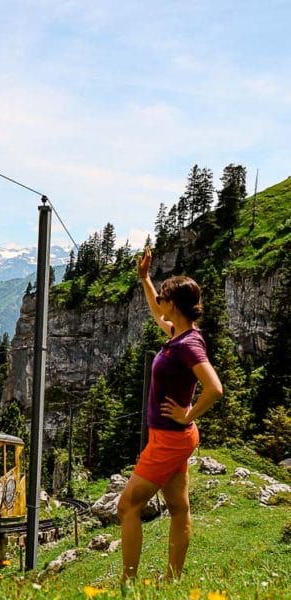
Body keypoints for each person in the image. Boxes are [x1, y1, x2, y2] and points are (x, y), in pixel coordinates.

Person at [117, 246, 223, 582]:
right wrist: (145, 278)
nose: (159, 301)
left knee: (127, 506)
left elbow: (215, 388)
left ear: (174, 305)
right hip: (175, 438)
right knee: (179, 508)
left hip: (170, 438)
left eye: (164, 297)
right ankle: (172, 579)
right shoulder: (179, 333)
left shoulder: (188, 344)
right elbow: (154, 310)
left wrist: (188, 414)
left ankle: (128, 582)